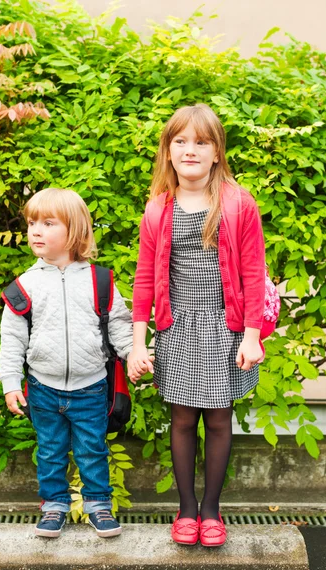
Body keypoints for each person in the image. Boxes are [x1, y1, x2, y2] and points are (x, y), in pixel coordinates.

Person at [128, 104, 265, 547]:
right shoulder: (157, 208)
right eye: (181, 141)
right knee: (183, 419)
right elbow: (145, 278)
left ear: (216, 151)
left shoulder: (237, 202)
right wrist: (137, 343)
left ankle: (212, 511)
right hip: (178, 328)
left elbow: (253, 272)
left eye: (201, 142)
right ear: (168, 151)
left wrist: (251, 335)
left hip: (225, 328)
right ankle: (186, 510)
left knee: (220, 419)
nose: (190, 149)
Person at [0, 188, 133, 538]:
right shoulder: (24, 286)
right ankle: (54, 506)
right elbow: (12, 339)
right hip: (43, 386)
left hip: (90, 385)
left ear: (74, 231)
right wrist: (11, 382)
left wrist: (134, 354)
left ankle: (99, 506)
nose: (35, 231)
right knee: (51, 452)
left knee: (92, 449)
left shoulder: (99, 280)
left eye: (47, 223)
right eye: (31, 223)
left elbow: (117, 323)